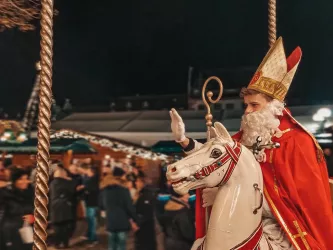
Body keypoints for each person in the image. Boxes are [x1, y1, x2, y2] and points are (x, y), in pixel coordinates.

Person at [169, 37, 333, 249]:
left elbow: (308, 201)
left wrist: (259, 201)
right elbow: (216, 156)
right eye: (246, 105)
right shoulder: (245, 136)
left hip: (283, 226)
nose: (247, 111)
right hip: (240, 220)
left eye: (254, 105)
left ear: (274, 107)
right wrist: (184, 140)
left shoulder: (297, 142)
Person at [100, 167, 139, 250]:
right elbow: (129, 206)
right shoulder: (124, 190)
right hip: (122, 220)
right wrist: (135, 219)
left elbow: (102, 205)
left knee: (111, 244)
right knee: (121, 244)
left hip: (110, 220)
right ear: (121, 177)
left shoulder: (105, 189)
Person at [1, 167, 34, 250]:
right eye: (21, 179)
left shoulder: (30, 193)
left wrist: (34, 218)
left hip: (27, 232)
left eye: (26, 178)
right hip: (9, 234)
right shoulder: (4, 194)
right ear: (14, 181)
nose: (25, 182)